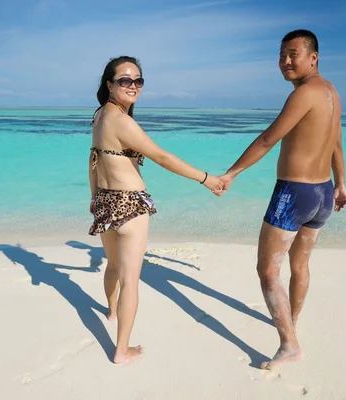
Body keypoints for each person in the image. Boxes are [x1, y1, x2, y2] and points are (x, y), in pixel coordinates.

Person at [218, 29, 346, 370]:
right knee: (300, 265)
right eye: (281, 56)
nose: (286, 61)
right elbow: (335, 143)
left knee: (267, 270)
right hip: (322, 192)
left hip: (294, 193)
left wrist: (231, 173)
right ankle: (293, 324)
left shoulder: (304, 93)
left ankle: (289, 344)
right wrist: (341, 184)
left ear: (313, 57)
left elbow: (267, 139)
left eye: (293, 54)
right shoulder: (331, 92)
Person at [88, 55, 223, 365]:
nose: (133, 85)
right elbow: (162, 157)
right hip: (131, 205)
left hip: (106, 202)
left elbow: (93, 159)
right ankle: (121, 350)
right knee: (131, 282)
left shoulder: (99, 116)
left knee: (113, 267)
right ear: (109, 85)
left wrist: (94, 197)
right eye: (125, 80)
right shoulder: (122, 121)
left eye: (138, 80)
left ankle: (110, 311)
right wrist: (205, 178)